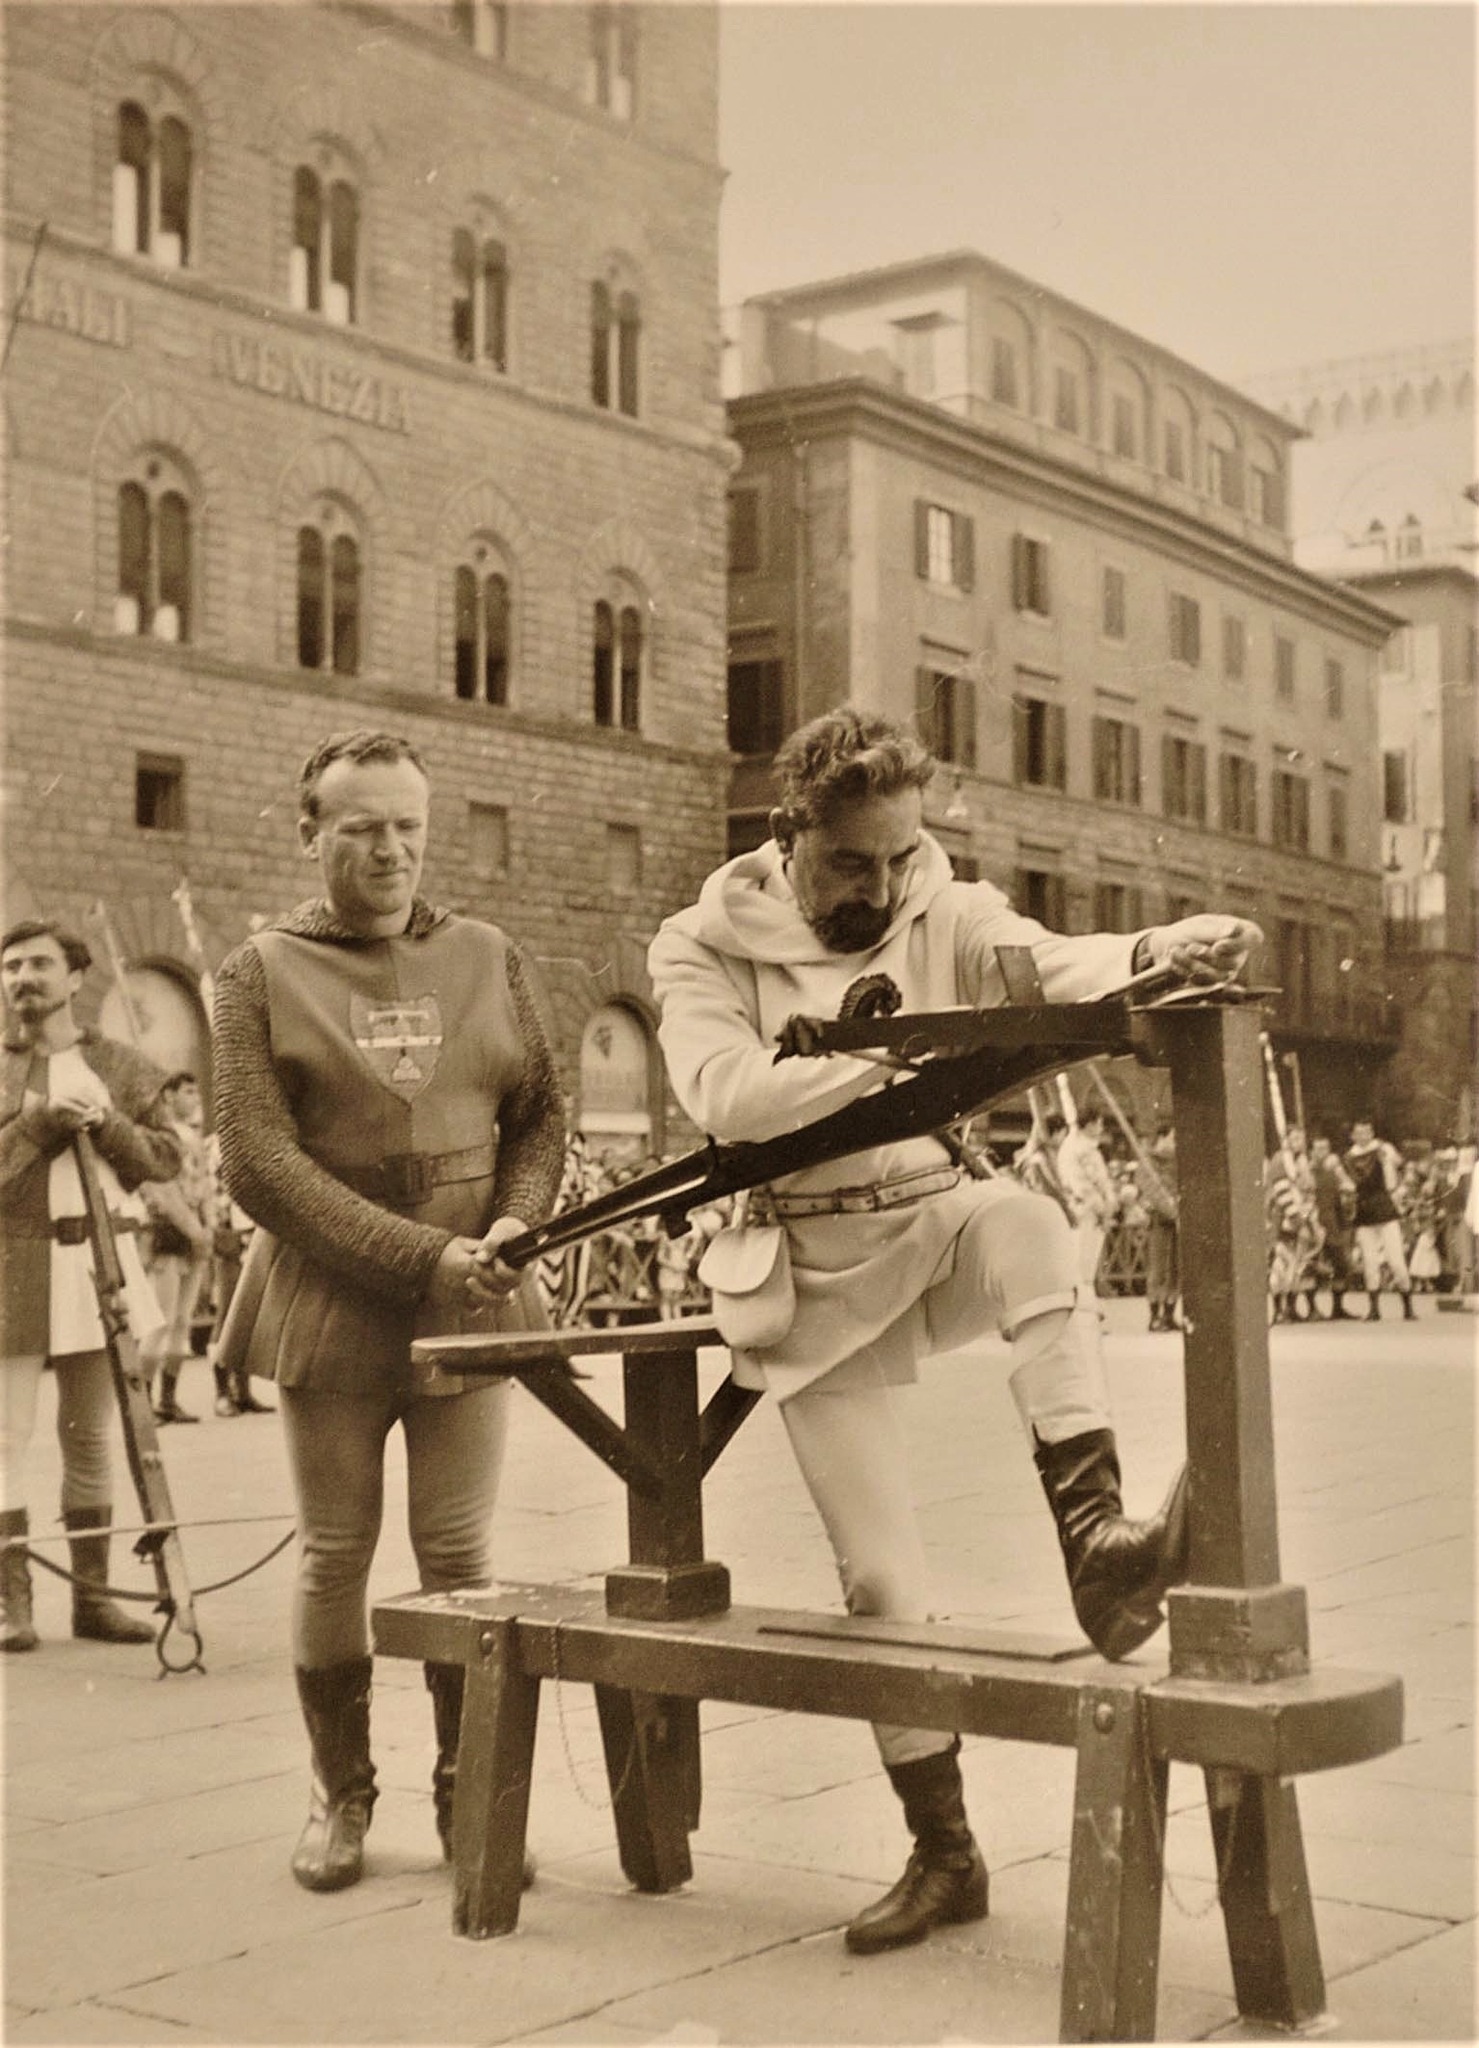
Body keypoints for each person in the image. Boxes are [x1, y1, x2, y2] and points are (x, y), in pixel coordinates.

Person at [647, 706, 1262, 1958]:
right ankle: (947, 1848)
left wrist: (1161, 945)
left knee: (1029, 1227)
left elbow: (1048, 961)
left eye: (897, 858)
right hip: (805, 1264)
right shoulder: (700, 941)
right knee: (882, 1579)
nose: (880, 888)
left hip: (930, 1221)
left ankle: (1099, 1543)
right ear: (786, 834)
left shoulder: (942, 900)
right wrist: (888, 1054)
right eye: (850, 865)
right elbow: (729, 1095)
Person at [212, 730, 565, 1894]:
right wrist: (422, 1255)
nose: (390, 849)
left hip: (477, 1291)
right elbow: (259, 1164)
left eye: (409, 824)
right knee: (335, 1552)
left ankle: (468, 1785)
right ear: (309, 829)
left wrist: (514, 1224)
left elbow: (540, 1114)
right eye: (361, 826)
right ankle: (341, 1789)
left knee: (459, 1549)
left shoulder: (487, 951)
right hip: (333, 1290)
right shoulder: (256, 971)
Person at [0, 918, 179, 1652]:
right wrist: (36, 1129)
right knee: (4, 1441)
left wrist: (107, 1123)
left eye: (38, 964)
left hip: (98, 1266)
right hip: (12, 1268)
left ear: (75, 978)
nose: (21, 979)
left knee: (92, 1438)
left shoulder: (122, 1065)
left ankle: (95, 1600)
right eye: (10, 968)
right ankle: (11, 1606)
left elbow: (166, 1161)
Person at [139, 1071, 214, 1423]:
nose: (194, 1097)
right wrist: (193, 1227)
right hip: (169, 1231)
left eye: (196, 1090)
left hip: (196, 1229)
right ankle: (144, 1399)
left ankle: (168, 1399)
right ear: (168, 1096)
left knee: (183, 1320)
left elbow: (206, 1185)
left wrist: (208, 1226)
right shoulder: (160, 1138)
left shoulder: (195, 1139)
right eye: (186, 1091)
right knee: (161, 1319)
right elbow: (158, 1190)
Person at [1345, 1119, 1416, 1321]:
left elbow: (1398, 1169)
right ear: (1353, 1136)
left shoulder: (1383, 1149)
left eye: (1367, 1131)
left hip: (1384, 1209)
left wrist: (1390, 1162)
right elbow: (1353, 1182)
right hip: (1365, 1212)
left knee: (1396, 1260)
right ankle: (1374, 1308)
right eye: (1359, 1132)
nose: (1364, 1136)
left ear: (1372, 1133)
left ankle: (1407, 1306)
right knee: (1370, 1261)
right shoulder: (1349, 1157)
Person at [1056, 1108, 1118, 1295]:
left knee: (1087, 1265)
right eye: (1099, 1123)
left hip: (1092, 1209)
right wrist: (1103, 1207)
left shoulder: (1085, 1147)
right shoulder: (1078, 1148)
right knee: (1081, 1263)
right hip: (1084, 1209)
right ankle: (1080, 1313)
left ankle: (1085, 1310)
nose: (1101, 1127)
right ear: (1089, 1124)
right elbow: (1082, 1185)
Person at [1308, 1135, 1356, 1319]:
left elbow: (1341, 1199)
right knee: (1311, 1268)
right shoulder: (1307, 1172)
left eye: (1325, 1148)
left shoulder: (1334, 1173)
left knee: (1341, 1266)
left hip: (1332, 1225)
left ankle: (1337, 1307)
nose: (1321, 1152)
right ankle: (1312, 1308)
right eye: (1318, 1148)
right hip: (1313, 1225)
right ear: (1312, 1151)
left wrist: (1343, 1224)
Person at [1139, 1125, 1180, 1332]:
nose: (1176, 1144)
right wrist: (1172, 1212)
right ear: (1162, 1138)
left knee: (1175, 1268)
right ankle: (1155, 1315)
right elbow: (1152, 1191)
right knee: (1158, 1269)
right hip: (1158, 1221)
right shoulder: (1148, 1162)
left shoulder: (1179, 1162)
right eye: (1173, 1139)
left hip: (1178, 1221)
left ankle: (1169, 1314)